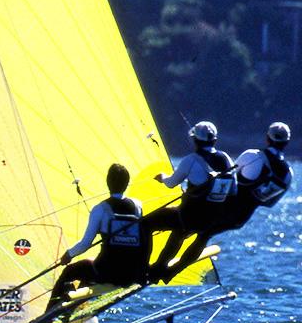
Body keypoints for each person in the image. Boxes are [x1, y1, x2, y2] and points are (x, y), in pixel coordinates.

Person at [47, 163, 150, 310]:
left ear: (108, 182)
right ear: (127, 183)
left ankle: (48, 317)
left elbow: (86, 243)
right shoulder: (138, 206)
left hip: (106, 272)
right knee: (85, 279)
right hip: (131, 273)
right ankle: (72, 313)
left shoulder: (100, 209)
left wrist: (68, 255)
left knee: (70, 272)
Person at [144, 120, 236, 283]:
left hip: (189, 216)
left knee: (146, 224)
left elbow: (171, 183)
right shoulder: (226, 159)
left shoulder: (191, 160)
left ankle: (148, 268)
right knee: (192, 236)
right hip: (212, 219)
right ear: (214, 140)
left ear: (195, 140)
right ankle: (165, 271)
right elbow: (233, 190)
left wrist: (162, 177)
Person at [221, 122, 294, 230]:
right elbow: (269, 203)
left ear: (267, 139)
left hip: (221, 208)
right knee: (205, 236)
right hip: (240, 219)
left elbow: (228, 176)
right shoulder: (288, 174)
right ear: (287, 142)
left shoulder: (252, 155)